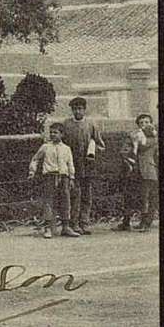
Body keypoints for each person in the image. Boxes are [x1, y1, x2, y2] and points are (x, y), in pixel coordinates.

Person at [28, 122, 80, 239]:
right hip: (49, 177)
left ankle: (66, 227)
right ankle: (48, 228)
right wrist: (32, 171)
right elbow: (35, 159)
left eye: (55, 133)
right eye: (51, 132)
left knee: (65, 201)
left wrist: (71, 177)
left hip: (64, 177)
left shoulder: (66, 149)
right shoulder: (45, 147)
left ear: (62, 134)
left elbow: (70, 163)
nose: (52, 135)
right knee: (49, 201)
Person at [62, 96, 105, 235]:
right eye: (75, 109)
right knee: (75, 194)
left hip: (87, 166)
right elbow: (61, 144)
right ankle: (74, 224)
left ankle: (84, 223)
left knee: (87, 195)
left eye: (80, 109)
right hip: (72, 166)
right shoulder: (66, 124)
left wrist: (93, 149)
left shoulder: (91, 124)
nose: (77, 112)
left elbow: (100, 144)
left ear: (85, 110)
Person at [131, 113, 159, 232]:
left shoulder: (153, 139)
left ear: (151, 124)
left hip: (149, 171)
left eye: (147, 122)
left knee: (148, 198)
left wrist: (136, 138)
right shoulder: (137, 136)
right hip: (139, 171)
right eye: (141, 123)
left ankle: (147, 223)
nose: (144, 125)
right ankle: (143, 221)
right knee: (143, 197)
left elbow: (142, 146)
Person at [114, 134, 138, 232]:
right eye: (124, 145)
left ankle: (135, 222)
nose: (125, 148)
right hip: (126, 181)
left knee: (132, 200)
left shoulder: (135, 155)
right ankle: (126, 222)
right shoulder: (124, 158)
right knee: (127, 200)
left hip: (134, 180)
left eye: (128, 145)